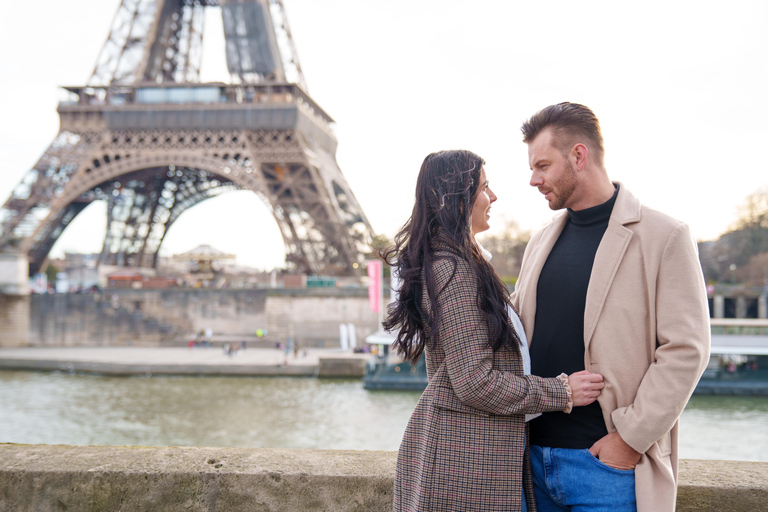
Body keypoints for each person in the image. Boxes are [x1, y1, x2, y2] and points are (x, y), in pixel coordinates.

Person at [513, 102, 711, 512]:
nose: (533, 179)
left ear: (579, 156)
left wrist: (628, 440)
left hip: (606, 469)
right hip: (530, 464)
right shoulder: (540, 241)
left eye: (543, 165)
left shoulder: (665, 235)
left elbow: (686, 350)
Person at [382, 149, 605, 512]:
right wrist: (562, 391)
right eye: (485, 187)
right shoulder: (452, 269)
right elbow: (475, 381)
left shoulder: (459, 261)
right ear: (456, 199)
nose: (494, 197)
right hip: (467, 460)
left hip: (471, 451)